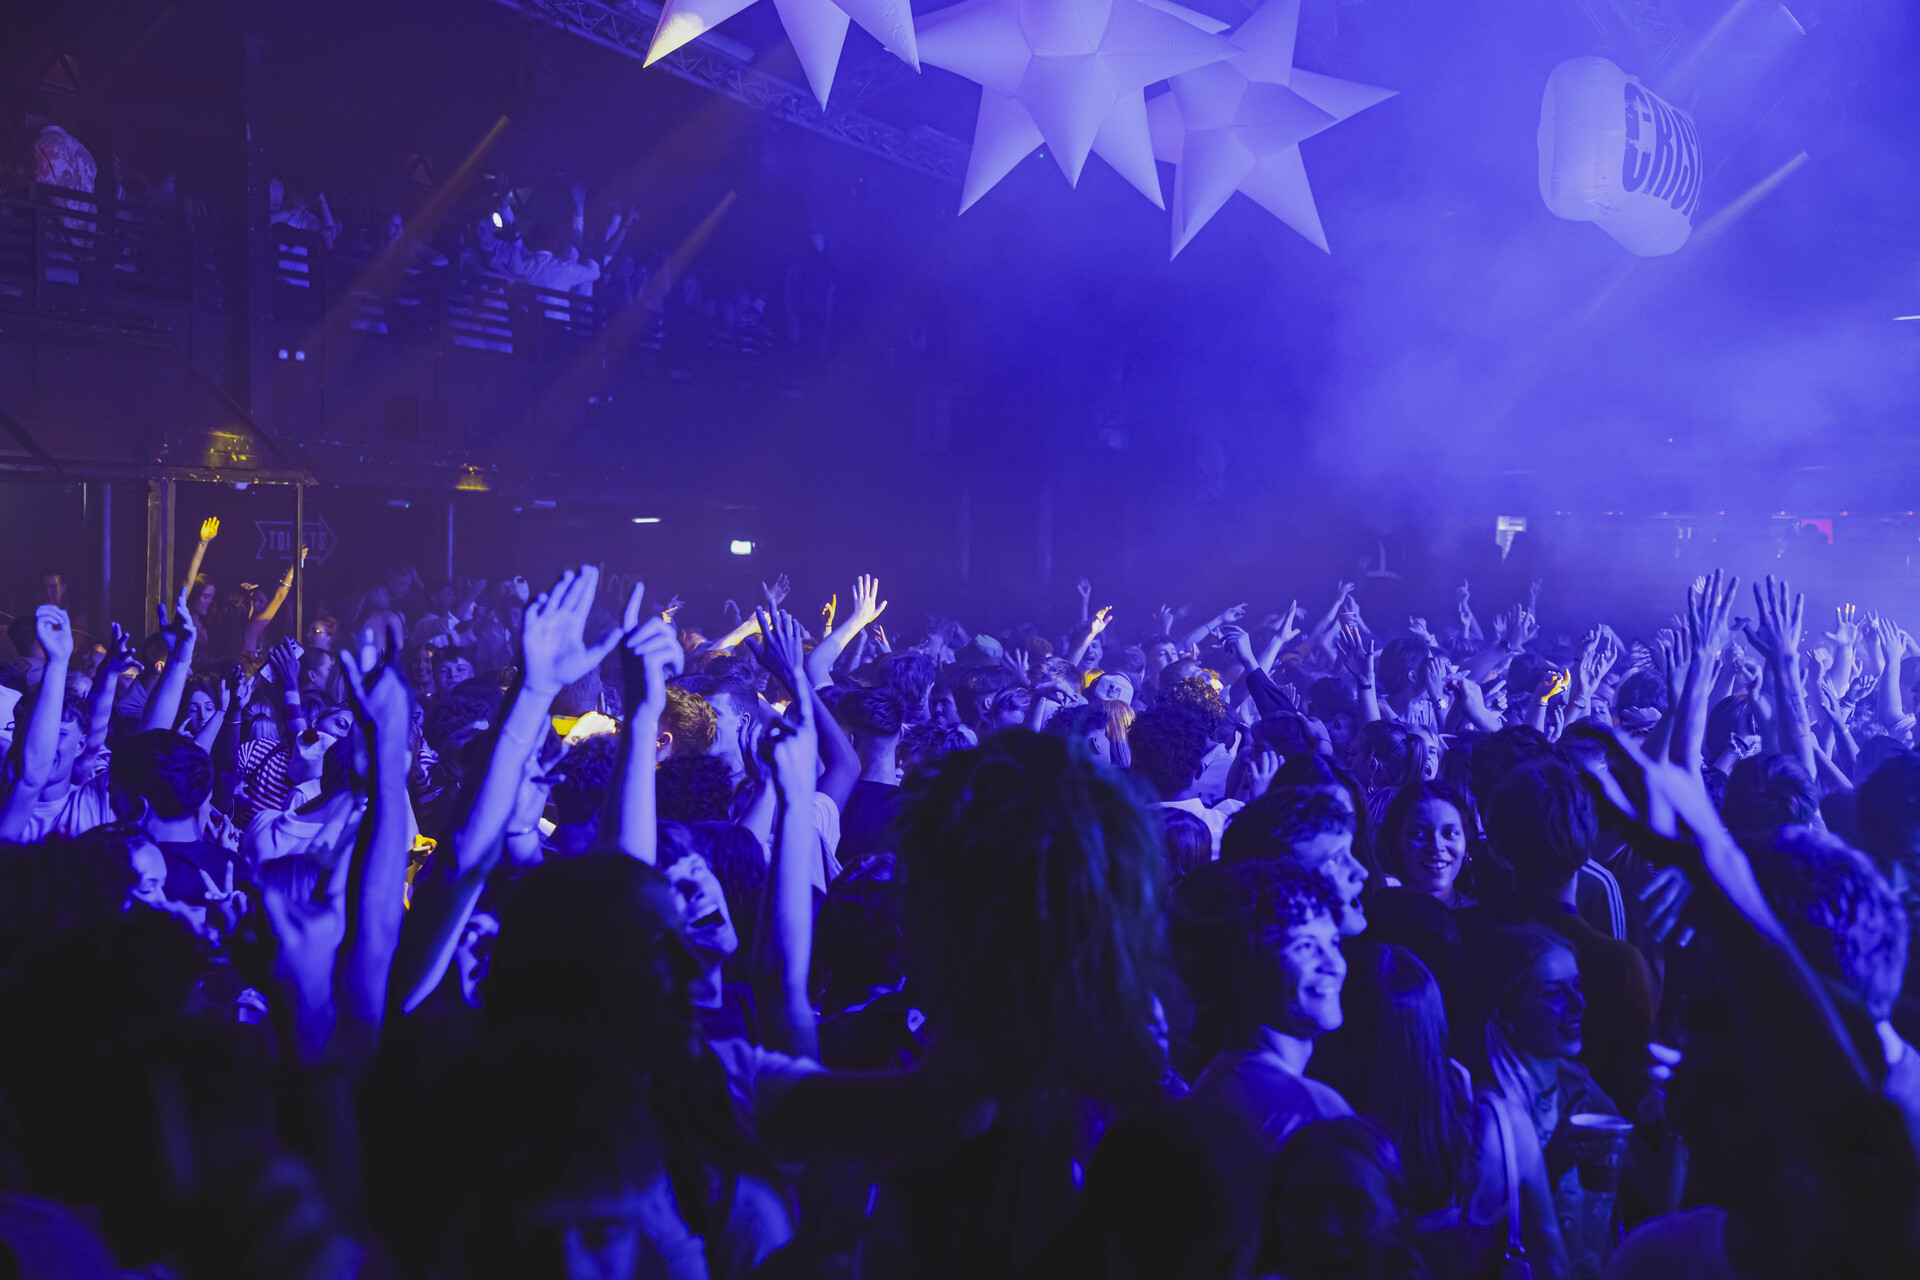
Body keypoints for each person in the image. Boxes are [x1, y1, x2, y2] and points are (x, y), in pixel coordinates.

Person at [1174, 859, 1354, 1147]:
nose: (1333, 964)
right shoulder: (1306, 1112)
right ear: (1243, 965)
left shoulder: (1220, 1080)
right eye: (1304, 947)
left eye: (1333, 942)